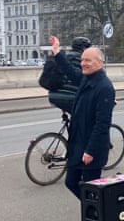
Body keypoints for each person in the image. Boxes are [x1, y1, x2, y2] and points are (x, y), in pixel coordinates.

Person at [50, 35, 115, 200]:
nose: (83, 63)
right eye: (82, 60)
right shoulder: (86, 79)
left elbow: (102, 124)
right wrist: (57, 52)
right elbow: (70, 71)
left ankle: (98, 218)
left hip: (91, 150)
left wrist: (90, 151)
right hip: (78, 144)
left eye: (88, 60)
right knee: (71, 182)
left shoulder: (104, 87)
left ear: (99, 63)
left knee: (91, 190)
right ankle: (95, 212)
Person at [48, 37, 92, 113]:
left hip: (53, 95)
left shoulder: (64, 57)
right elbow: (89, 80)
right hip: (70, 97)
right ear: (84, 49)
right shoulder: (83, 60)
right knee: (88, 115)